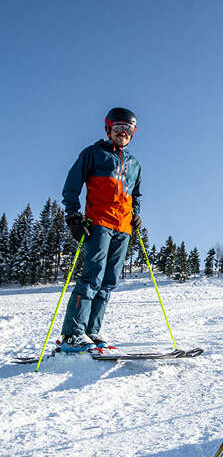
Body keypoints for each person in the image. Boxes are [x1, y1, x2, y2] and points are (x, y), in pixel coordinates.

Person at [60, 108, 142, 352]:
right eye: (118, 128)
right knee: (92, 277)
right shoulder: (93, 154)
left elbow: (135, 195)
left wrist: (136, 215)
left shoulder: (134, 164)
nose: (123, 133)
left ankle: (91, 332)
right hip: (99, 223)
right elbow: (71, 185)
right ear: (109, 129)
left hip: (123, 228)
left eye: (129, 130)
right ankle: (73, 334)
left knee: (109, 282)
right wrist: (73, 215)